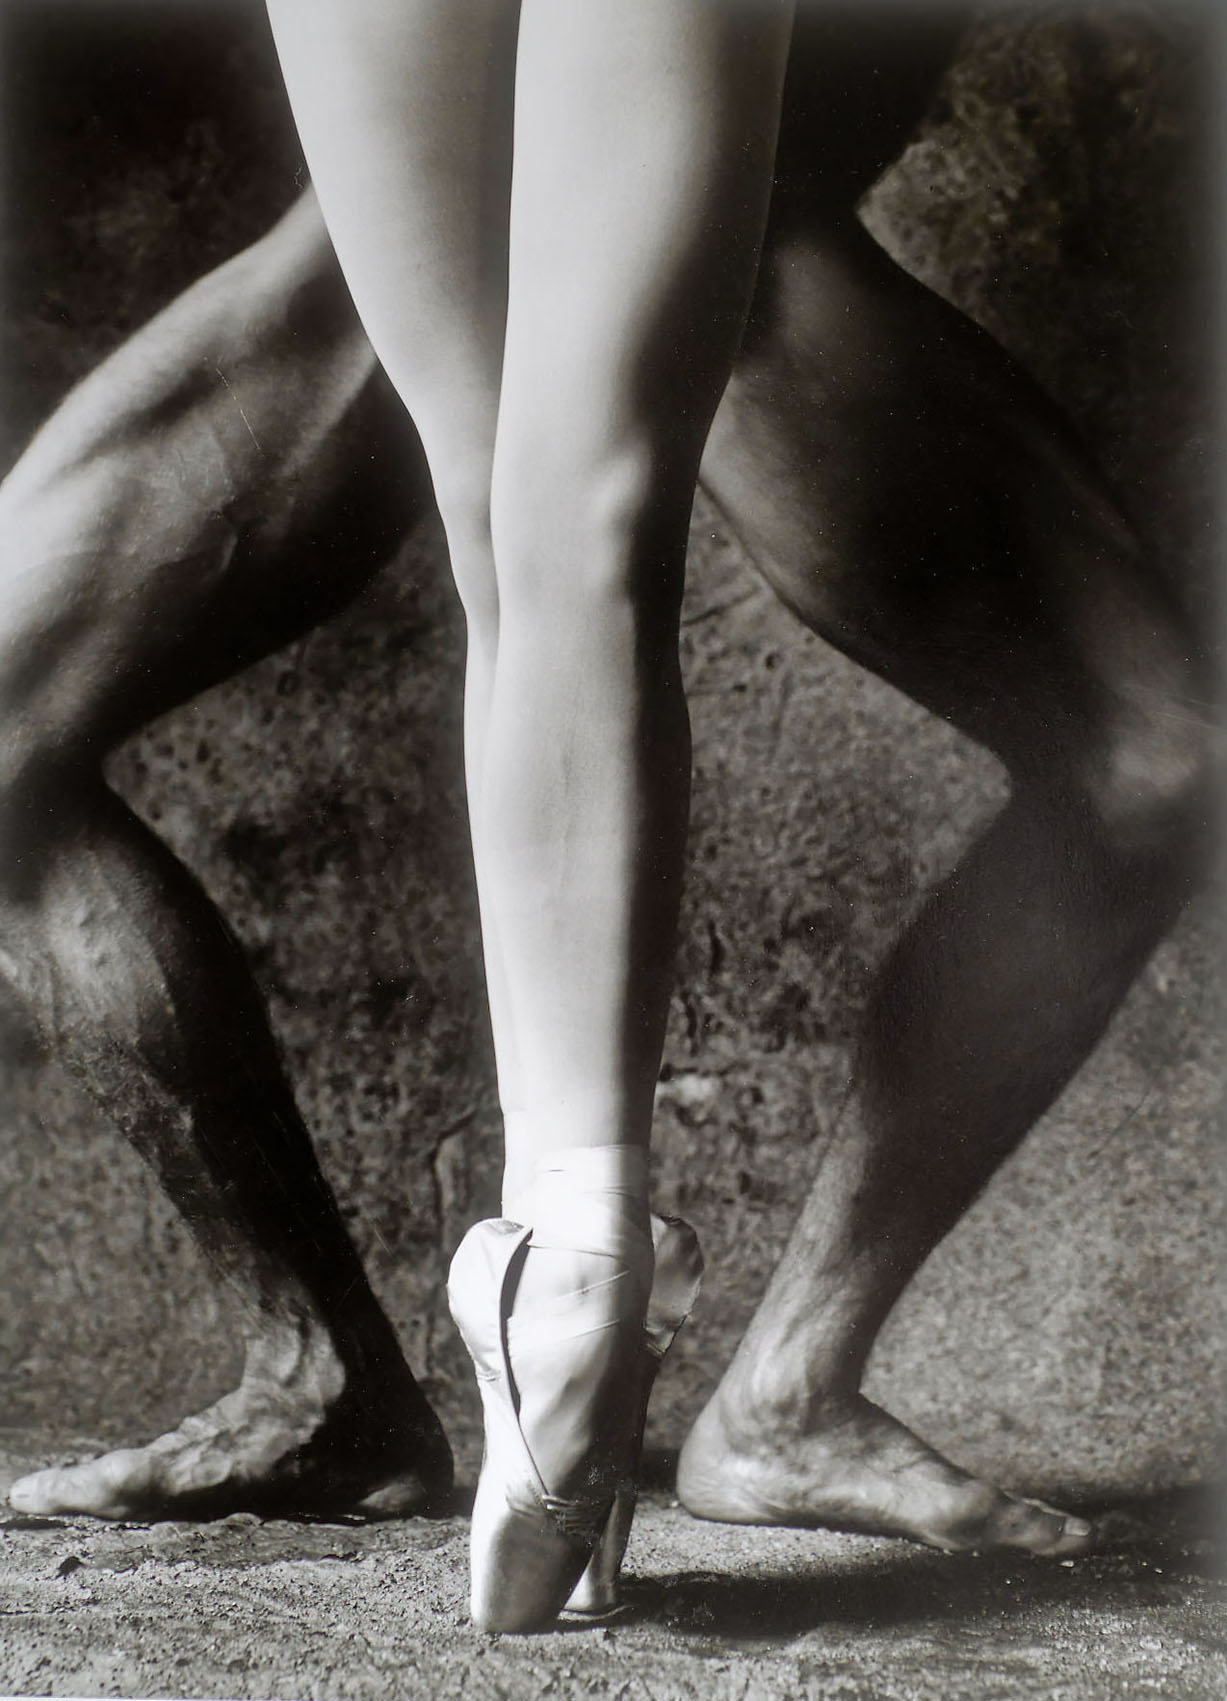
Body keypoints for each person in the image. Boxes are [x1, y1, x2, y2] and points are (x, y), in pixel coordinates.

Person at [2, 0, 1210, 1617]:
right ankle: (356, 1367)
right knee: (559, 526)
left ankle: (760, 1376)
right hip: (385, 245)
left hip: (731, 238)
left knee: (1149, 758)